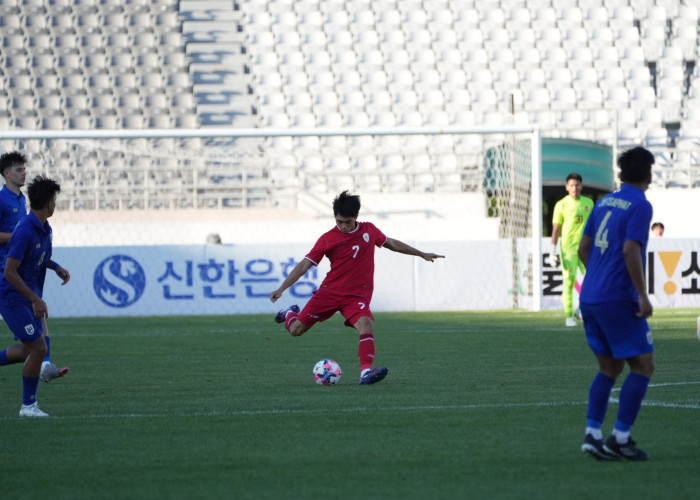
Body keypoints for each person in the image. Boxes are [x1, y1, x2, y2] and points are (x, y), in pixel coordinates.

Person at [270, 191, 445, 385]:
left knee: (367, 325)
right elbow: (305, 264)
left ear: (356, 218)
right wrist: (282, 288)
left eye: (347, 222)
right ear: (334, 217)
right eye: (339, 221)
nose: (343, 226)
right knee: (295, 330)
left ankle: (365, 374)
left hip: (356, 296)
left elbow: (392, 243)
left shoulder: (369, 230)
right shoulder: (328, 238)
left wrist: (421, 254)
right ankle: (288, 314)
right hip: (329, 292)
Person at [578, 146, 655, 461]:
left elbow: (583, 249)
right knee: (644, 365)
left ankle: (593, 433)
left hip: (591, 297)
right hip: (617, 298)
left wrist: (596, 277)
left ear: (620, 175)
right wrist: (642, 294)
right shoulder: (641, 205)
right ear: (649, 175)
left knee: (609, 368)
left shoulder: (603, 202)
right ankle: (620, 438)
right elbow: (629, 250)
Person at [0, 175, 70, 417]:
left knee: (30, 350)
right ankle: (28, 407)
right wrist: (34, 298)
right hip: (13, 299)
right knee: (38, 349)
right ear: (49, 203)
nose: (55, 204)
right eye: (55, 200)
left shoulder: (43, 228)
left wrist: (55, 266)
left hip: (25, 297)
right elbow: (9, 271)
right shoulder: (26, 231)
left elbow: (36, 256)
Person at [550, 173, 594, 327]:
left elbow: (593, 226)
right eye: (572, 185)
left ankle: (581, 309)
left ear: (581, 186)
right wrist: (552, 250)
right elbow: (556, 229)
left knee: (592, 280)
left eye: (577, 185)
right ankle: (568, 316)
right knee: (569, 282)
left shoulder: (588, 203)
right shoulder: (561, 205)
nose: (574, 188)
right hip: (568, 250)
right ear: (567, 187)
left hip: (586, 249)